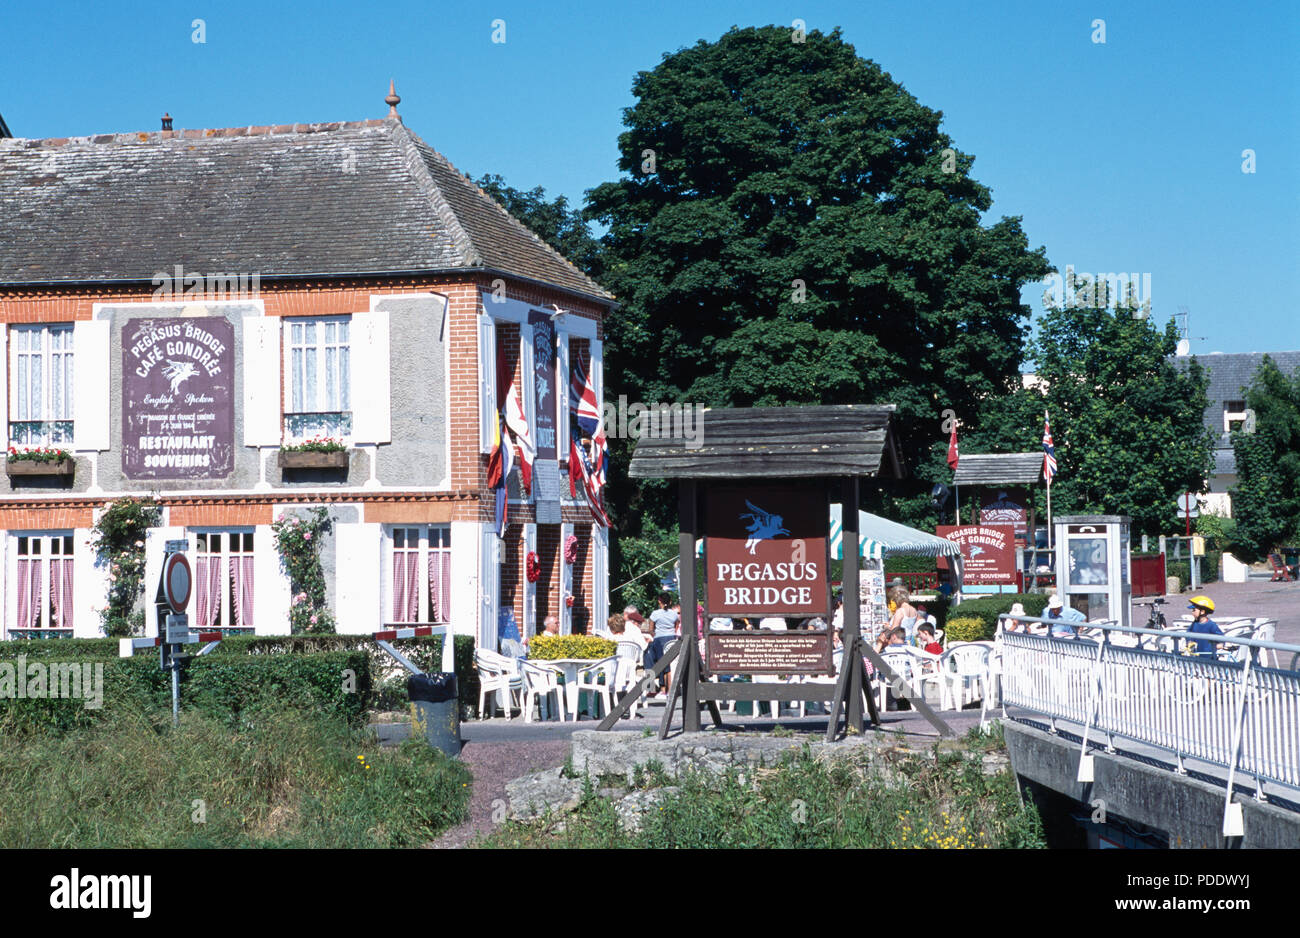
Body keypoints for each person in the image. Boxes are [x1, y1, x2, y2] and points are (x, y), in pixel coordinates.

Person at [643, 592, 679, 695]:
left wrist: (655, 635)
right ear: (670, 602)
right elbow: (676, 625)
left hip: (659, 639)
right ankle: (671, 689)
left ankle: (661, 689)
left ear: (659, 601)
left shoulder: (655, 614)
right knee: (670, 664)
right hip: (671, 639)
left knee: (661, 663)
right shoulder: (674, 614)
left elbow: (651, 629)